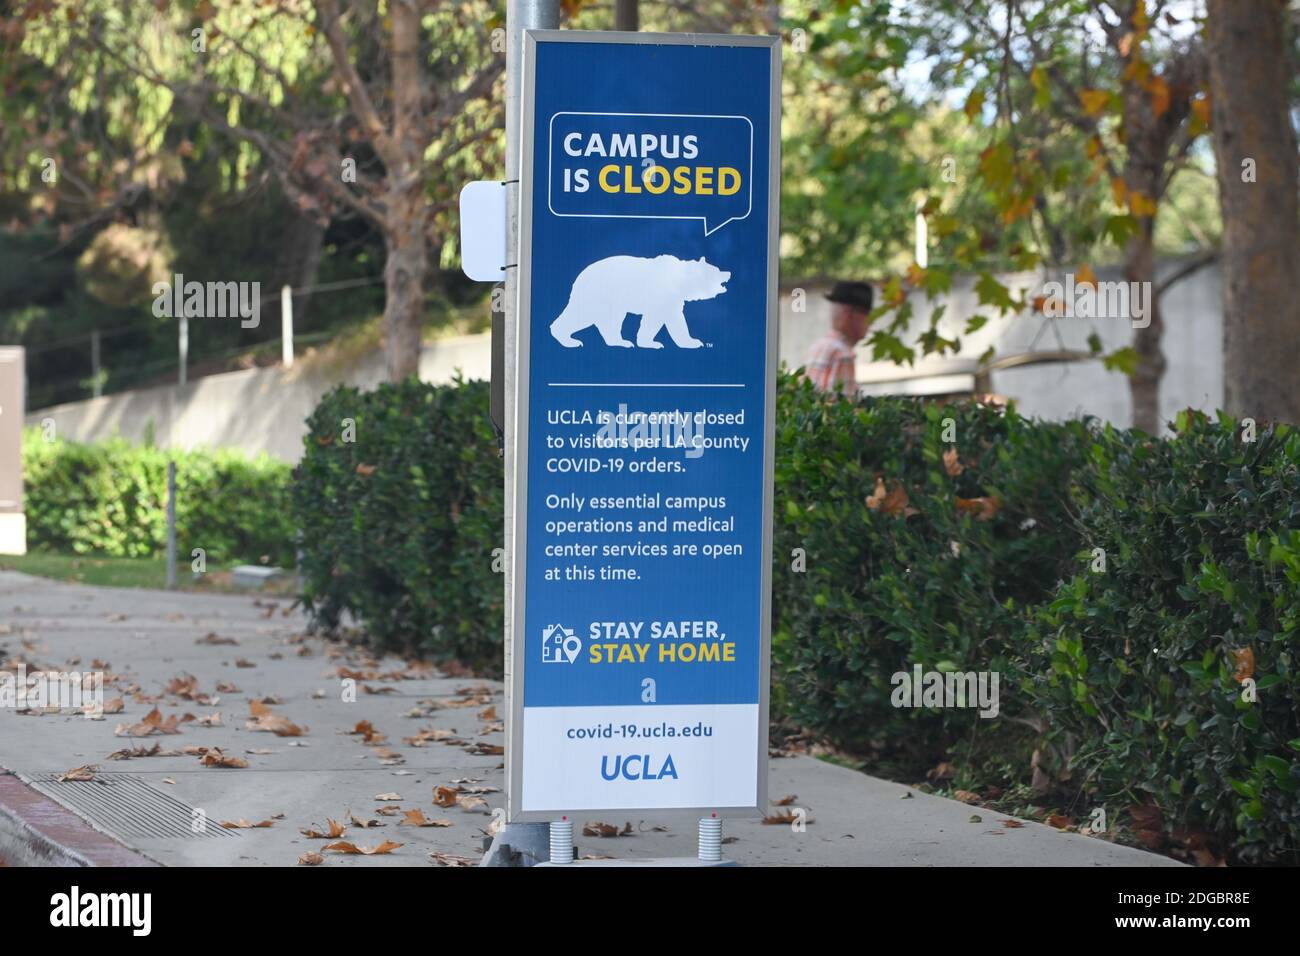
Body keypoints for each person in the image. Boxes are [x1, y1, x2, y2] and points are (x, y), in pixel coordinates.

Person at [804, 280, 874, 394]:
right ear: (849, 314)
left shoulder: (818, 347)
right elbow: (843, 408)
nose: (871, 321)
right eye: (867, 313)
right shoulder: (842, 354)